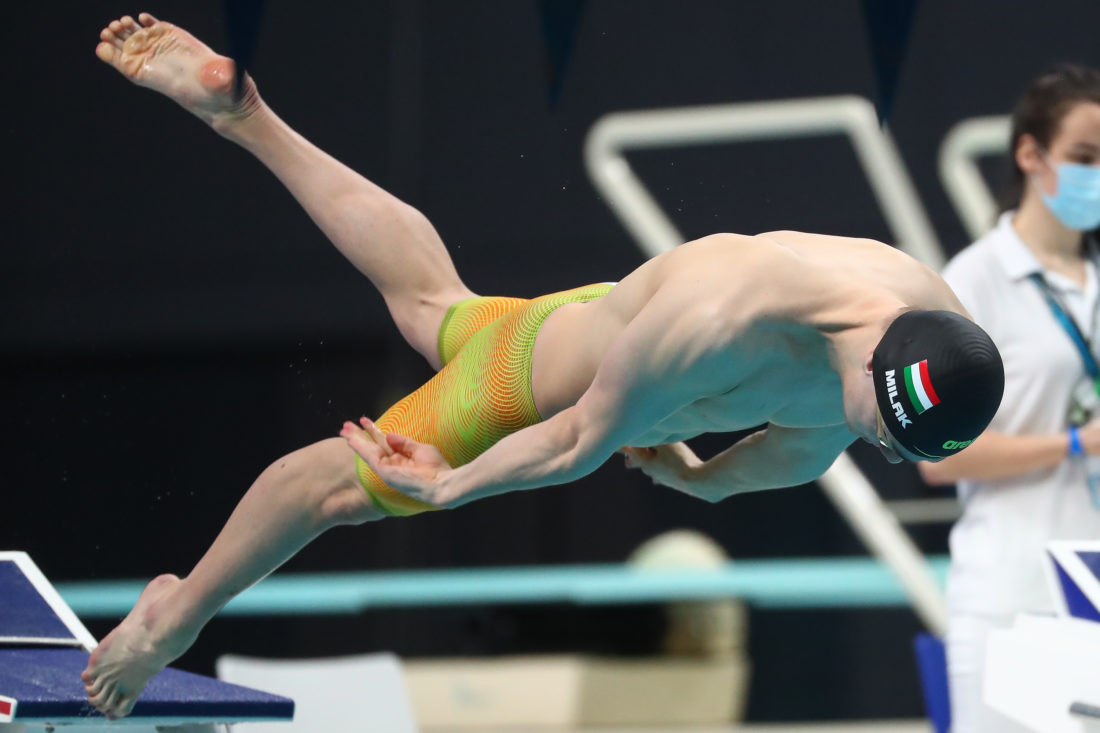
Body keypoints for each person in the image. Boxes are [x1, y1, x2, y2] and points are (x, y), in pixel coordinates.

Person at [84, 12, 1004, 720]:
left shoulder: (934, 336)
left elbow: (805, 442)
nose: (878, 444)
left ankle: (246, 115)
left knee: (435, 307)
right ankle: (174, 617)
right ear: (873, 364)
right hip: (535, 385)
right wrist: (455, 488)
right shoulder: (730, 307)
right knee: (329, 485)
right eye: (880, 426)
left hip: (590, 329)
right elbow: (575, 438)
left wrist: (708, 480)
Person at [919, 63, 1100, 733]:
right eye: (1085, 157)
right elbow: (939, 457)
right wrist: (1076, 442)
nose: (1098, 175)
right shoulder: (974, 279)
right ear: (1031, 154)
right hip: (1014, 599)